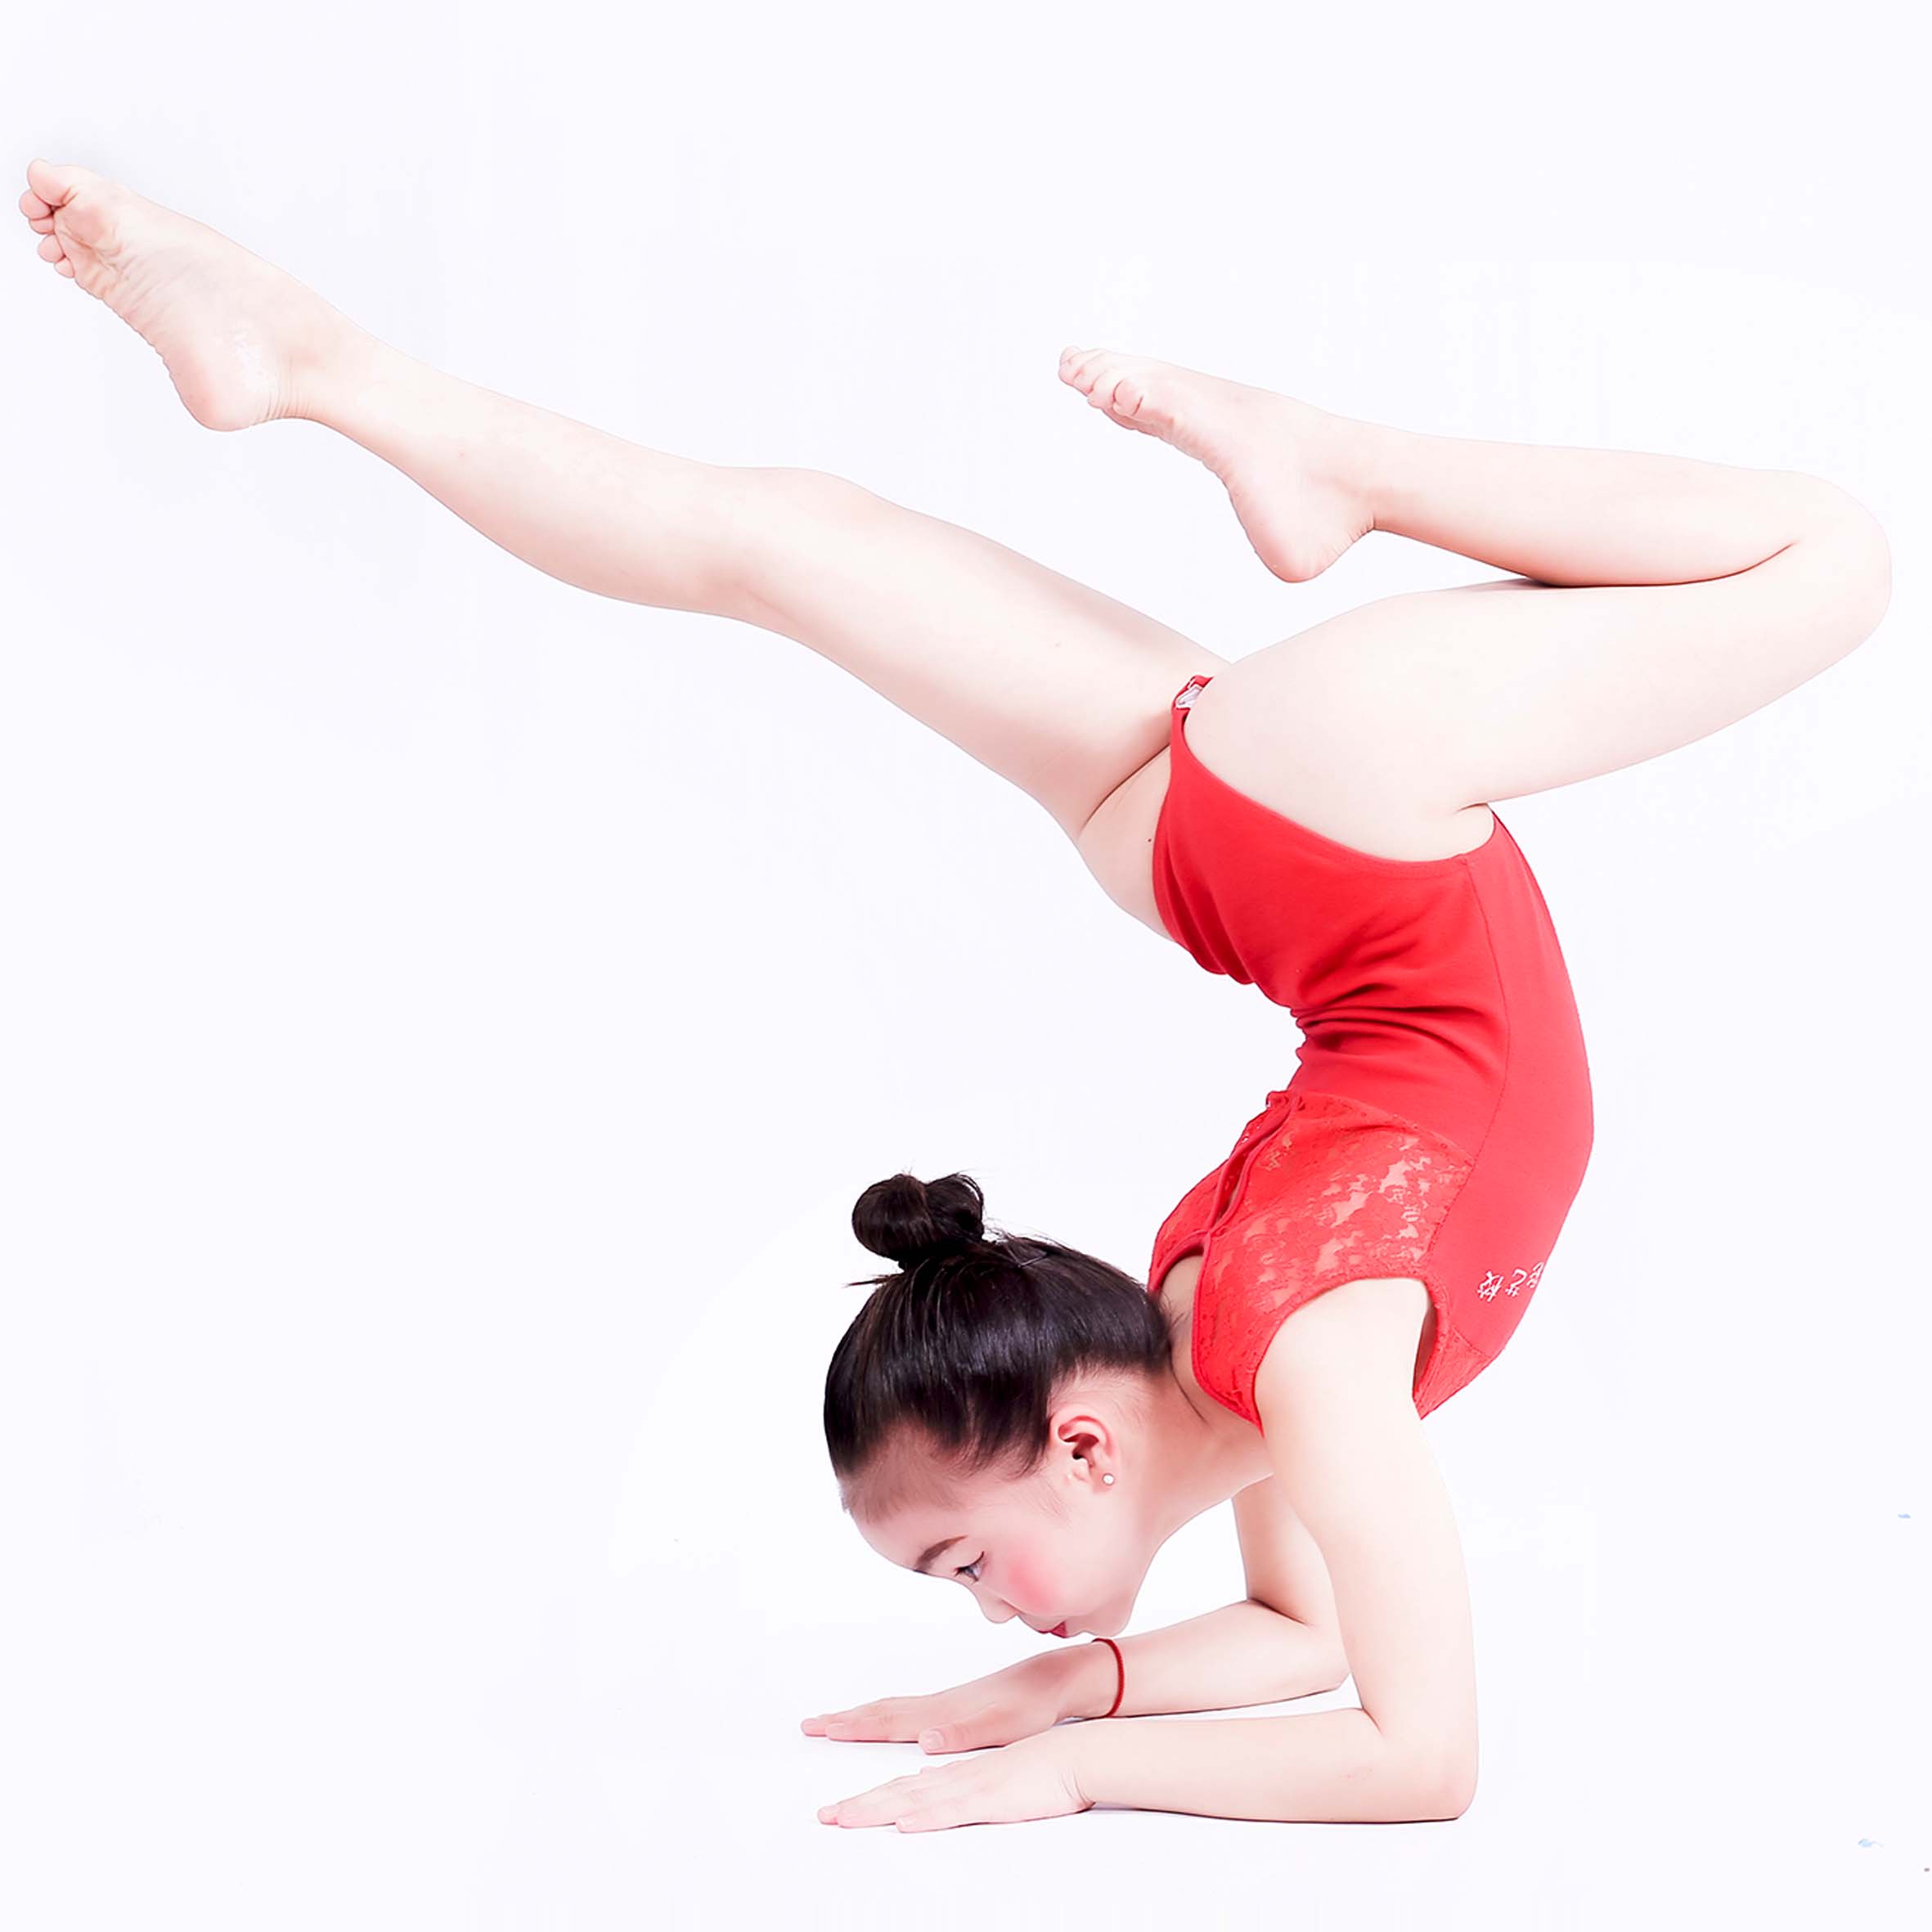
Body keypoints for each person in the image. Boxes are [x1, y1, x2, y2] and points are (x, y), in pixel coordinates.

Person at [17, 160, 1893, 1834]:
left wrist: (1069, 1756)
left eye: (958, 1568)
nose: (985, 1603)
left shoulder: (1273, 1351)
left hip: (1330, 834)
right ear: (1082, 1443)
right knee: (776, 542)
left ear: (1079, 1438)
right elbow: (1337, 1670)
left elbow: (1399, 1742)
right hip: (1247, 838)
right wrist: (1059, 1707)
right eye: (958, 1575)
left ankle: (1347, 466)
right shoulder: (1274, 1359)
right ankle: (309, 361)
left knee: (1833, 552)